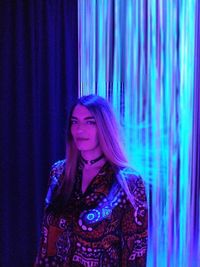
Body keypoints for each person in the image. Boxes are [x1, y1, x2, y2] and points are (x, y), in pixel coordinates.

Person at [35, 94, 148, 267]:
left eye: (90, 122)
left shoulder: (128, 182)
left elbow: (135, 254)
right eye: (75, 121)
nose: (79, 130)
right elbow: (46, 241)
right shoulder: (58, 172)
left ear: (104, 127)